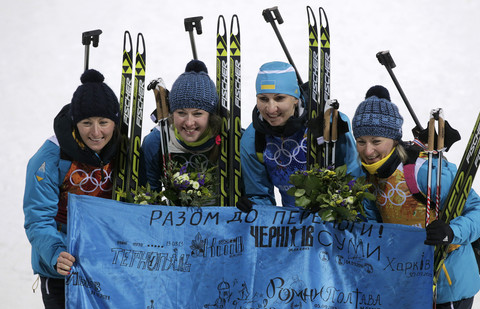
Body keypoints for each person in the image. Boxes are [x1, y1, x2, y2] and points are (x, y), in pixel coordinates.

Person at [351, 85, 480, 309]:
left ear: (394, 139)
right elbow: (373, 227)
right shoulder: (367, 177)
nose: (368, 151)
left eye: (376, 141)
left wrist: (451, 231)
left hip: (448, 288)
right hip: (405, 283)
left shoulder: (424, 172)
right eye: (361, 141)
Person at [23, 69, 121, 309]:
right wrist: (56, 253)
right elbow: (38, 219)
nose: (96, 132)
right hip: (62, 270)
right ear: (75, 123)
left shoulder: (123, 148)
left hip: (107, 267)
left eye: (104, 122)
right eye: (87, 123)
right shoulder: (49, 159)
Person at [240, 61, 359, 207]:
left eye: (279, 98)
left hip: (330, 220)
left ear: (295, 98)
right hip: (291, 225)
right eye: (263, 99)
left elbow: (354, 177)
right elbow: (259, 194)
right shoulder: (253, 138)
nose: (271, 109)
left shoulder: (329, 123)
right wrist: (254, 207)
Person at [141, 59, 221, 194]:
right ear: (172, 114)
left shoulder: (232, 139)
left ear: (211, 116)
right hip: (175, 215)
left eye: (198, 114)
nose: (189, 122)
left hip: (221, 214)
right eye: (181, 113)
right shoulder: (156, 142)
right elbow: (149, 195)